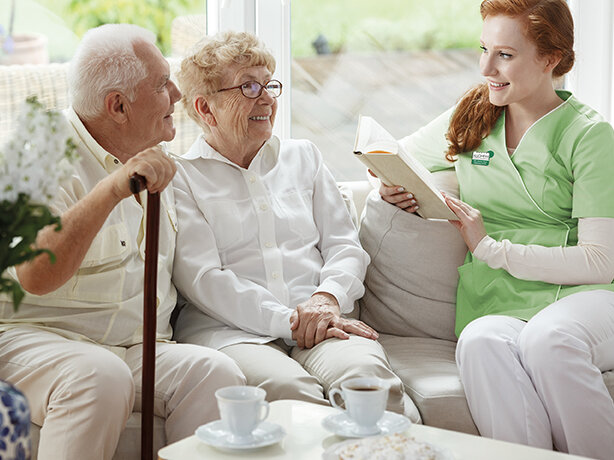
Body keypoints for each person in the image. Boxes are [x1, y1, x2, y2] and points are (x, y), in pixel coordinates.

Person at [378, 1, 614, 458]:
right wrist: (394, 186)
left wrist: (489, 247)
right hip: (501, 298)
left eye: (504, 54)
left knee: (549, 340)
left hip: (585, 295)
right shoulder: (473, 115)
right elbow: (389, 155)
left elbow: (600, 260)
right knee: (480, 341)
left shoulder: (590, 136)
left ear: (550, 58)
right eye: (484, 49)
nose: (486, 67)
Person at [0, 24, 245, 460]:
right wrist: (112, 188)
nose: (176, 93)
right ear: (118, 106)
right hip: (32, 337)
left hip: (132, 346)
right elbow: (36, 275)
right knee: (100, 376)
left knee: (217, 374)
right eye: (161, 84)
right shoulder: (36, 152)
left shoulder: (155, 156)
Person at [171, 30, 419, 422]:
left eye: (269, 84)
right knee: (290, 394)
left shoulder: (303, 156)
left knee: (369, 383)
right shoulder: (181, 177)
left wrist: (327, 300)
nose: (267, 99)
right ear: (205, 108)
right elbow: (204, 279)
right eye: (249, 87)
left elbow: (344, 246)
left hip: (325, 319)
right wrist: (290, 321)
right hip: (233, 334)